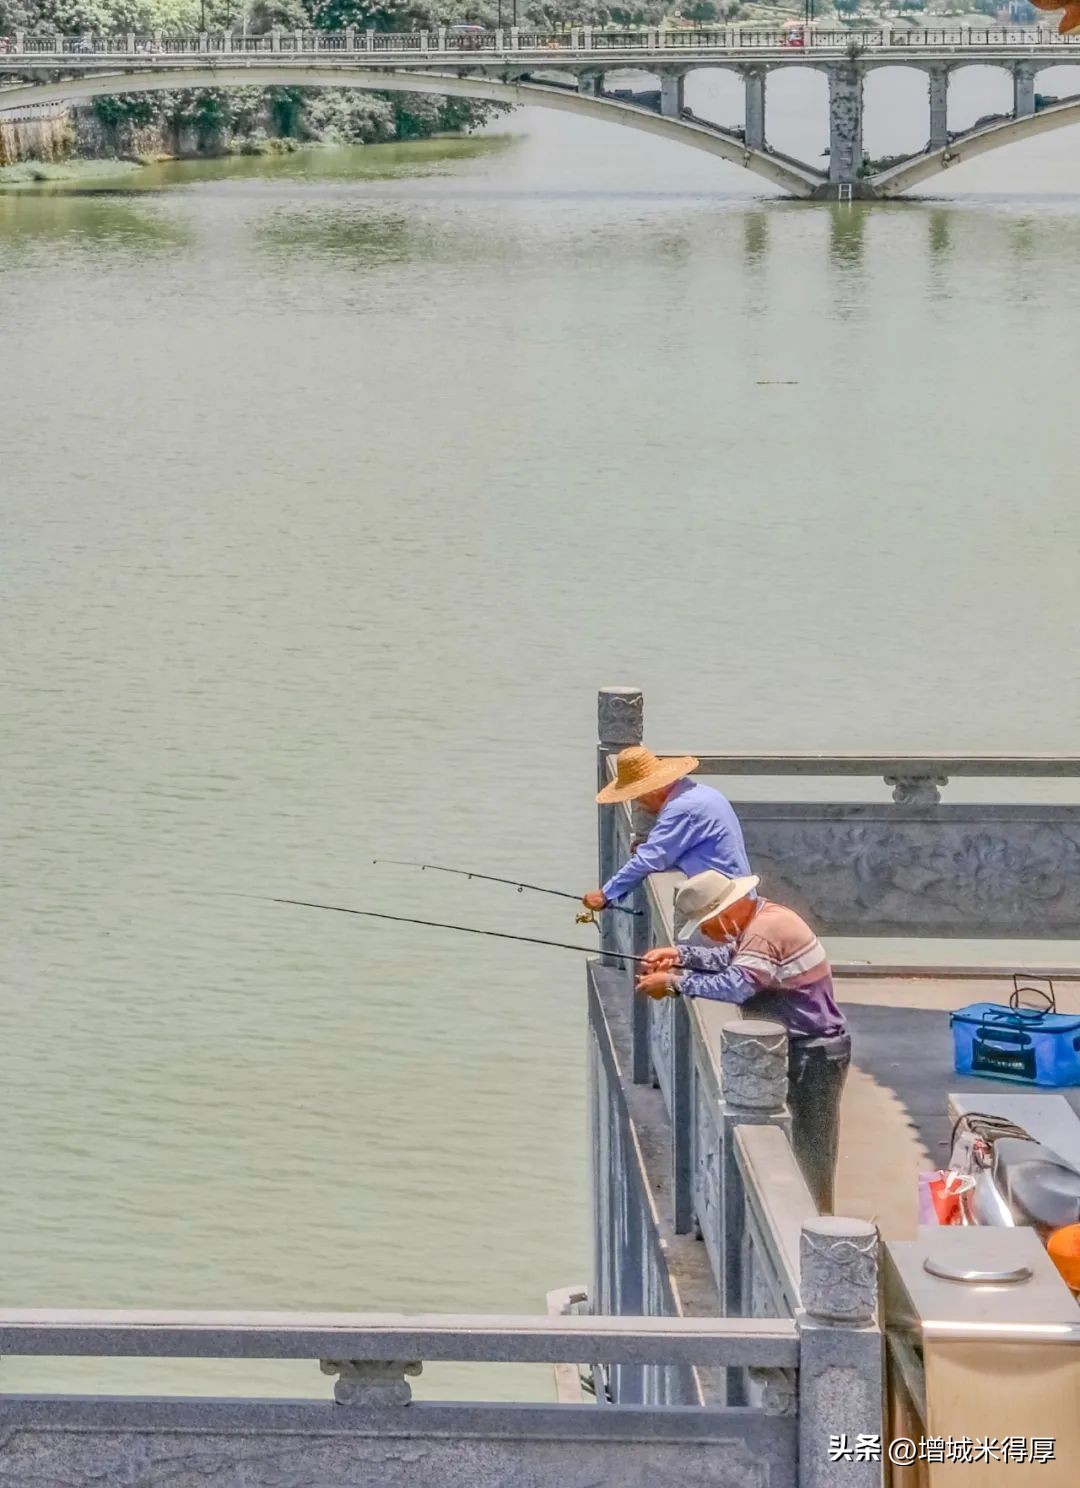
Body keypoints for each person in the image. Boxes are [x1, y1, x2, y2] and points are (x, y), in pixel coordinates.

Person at [636, 869, 850, 1214]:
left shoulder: (765, 932)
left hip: (814, 1052)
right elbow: (729, 960)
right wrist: (680, 957)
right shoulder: (761, 919)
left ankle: (818, 1218)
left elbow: (737, 985)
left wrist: (675, 983)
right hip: (801, 1046)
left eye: (706, 925)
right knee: (798, 1144)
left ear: (724, 912)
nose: (706, 934)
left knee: (811, 1149)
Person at [583, 747, 751, 912]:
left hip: (725, 903)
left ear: (650, 792)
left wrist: (605, 894)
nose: (639, 806)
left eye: (637, 798)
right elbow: (667, 847)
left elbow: (651, 858)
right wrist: (648, 844)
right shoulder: (701, 792)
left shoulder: (681, 809)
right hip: (732, 892)